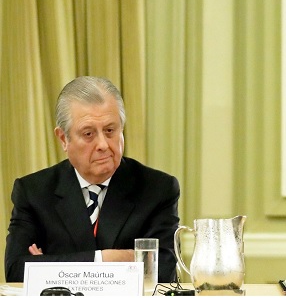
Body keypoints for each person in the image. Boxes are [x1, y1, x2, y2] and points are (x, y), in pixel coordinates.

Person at [4, 76, 180, 283]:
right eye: (88, 134)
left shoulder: (157, 189)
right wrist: (106, 259)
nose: (103, 144)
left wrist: (50, 265)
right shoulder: (33, 191)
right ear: (63, 139)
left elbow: (163, 269)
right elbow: (16, 270)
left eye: (110, 131)